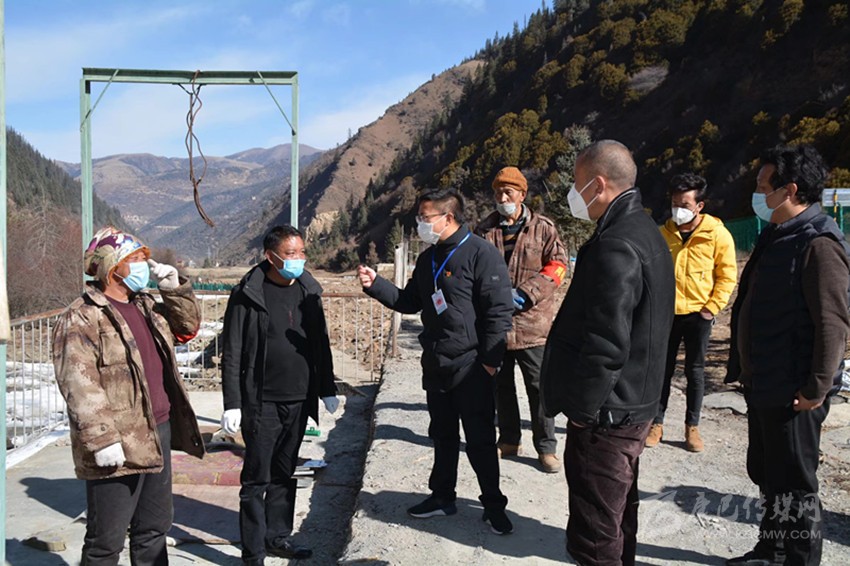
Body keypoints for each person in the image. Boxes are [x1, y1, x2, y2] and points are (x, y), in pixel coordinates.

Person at [540, 140, 675, 565]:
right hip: (635, 401)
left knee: (595, 531)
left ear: (598, 185)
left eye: (576, 184)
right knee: (618, 515)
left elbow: (606, 341)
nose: (572, 194)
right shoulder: (645, 230)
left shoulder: (616, 244)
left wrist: (583, 410)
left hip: (609, 414)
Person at [357, 187, 515, 535]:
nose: (420, 224)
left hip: (472, 366)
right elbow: (409, 301)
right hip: (436, 362)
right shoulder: (429, 259)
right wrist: (376, 285)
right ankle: (442, 496)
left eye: (425, 218)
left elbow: (499, 312)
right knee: (442, 436)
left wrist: (490, 363)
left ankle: (493, 504)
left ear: (448, 217)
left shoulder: (481, 253)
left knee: (480, 440)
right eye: (419, 217)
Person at [725, 145, 850, 566]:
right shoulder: (777, 234)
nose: (758, 194)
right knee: (768, 476)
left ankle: (798, 560)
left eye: (764, 186)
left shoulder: (819, 243)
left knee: (795, 488)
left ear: (790, 190)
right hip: (765, 381)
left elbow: (832, 323)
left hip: (794, 391)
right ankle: (771, 552)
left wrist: (816, 388)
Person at [52, 226, 204, 566]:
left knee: (154, 528)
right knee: (106, 540)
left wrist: (175, 290)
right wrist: (102, 439)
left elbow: (186, 329)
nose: (143, 266)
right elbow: (79, 384)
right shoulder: (83, 316)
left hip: (158, 428)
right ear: (113, 266)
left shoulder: (146, 305)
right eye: (135, 259)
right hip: (117, 440)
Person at [220, 225, 340, 565]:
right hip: (262, 402)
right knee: (256, 478)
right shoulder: (248, 294)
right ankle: (253, 553)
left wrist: (326, 388)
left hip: (299, 398)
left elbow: (320, 343)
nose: (298, 259)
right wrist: (233, 403)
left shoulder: (308, 290)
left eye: (301, 252)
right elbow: (233, 350)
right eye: (290, 254)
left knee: (285, 472)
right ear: (271, 256)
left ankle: (277, 537)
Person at [476, 166, 568, 473]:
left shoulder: (543, 229)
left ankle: (546, 448)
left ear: (522, 194)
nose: (502, 198)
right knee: (500, 386)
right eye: (498, 192)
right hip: (496, 325)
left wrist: (527, 293)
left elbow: (558, 266)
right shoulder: (484, 230)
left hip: (533, 325)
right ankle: (509, 440)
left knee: (539, 389)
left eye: (508, 192)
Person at [648, 173, 737, 452]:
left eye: (684, 204)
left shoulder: (717, 234)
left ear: (700, 205)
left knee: (695, 372)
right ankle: (656, 423)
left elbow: (727, 275)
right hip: (667, 315)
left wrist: (711, 308)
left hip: (699, 315)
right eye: (675, 203)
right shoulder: (662, 233)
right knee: (661, 371)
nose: (678, 209)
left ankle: (692, 427)